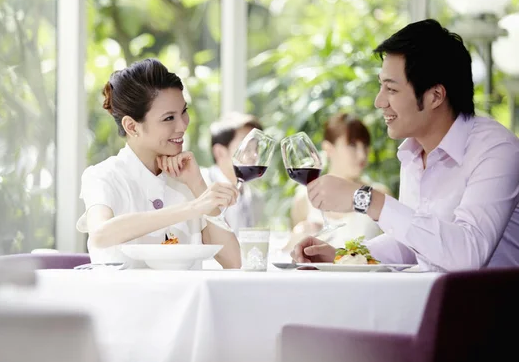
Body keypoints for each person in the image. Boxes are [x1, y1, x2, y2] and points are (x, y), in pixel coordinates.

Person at [291, 19, 519, 271]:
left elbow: (468, 253)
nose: (379, 102)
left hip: (493, 308)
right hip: (433, 303)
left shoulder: (496, 150)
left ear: (435, 96)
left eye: (391, 89)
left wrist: (366, 199)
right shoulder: (413, 152)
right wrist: (344, 256)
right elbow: (413, 243)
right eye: (381, 86)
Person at [76, 59, 241, 269]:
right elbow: (100, 234)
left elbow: (234, 261)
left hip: (187, 300)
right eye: (168, 118)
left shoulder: (187, 178)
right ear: (132, 126)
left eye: (183, 111)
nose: (182, 125)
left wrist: (197, 184)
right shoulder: (105, 176)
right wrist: (194, 207)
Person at [289, 113, 390, 249]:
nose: (362, 155)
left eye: (365, 146)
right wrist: (297, 238)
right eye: (352, 145)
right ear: (328, 149)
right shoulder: (303, 199)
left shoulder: (379, 195)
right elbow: (292, 256)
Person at [201, 113, 265, 235]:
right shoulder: (199, 185)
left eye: (256, 148)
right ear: (220, 152)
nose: (254, 155)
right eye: (246, 147)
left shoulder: (256, 199)